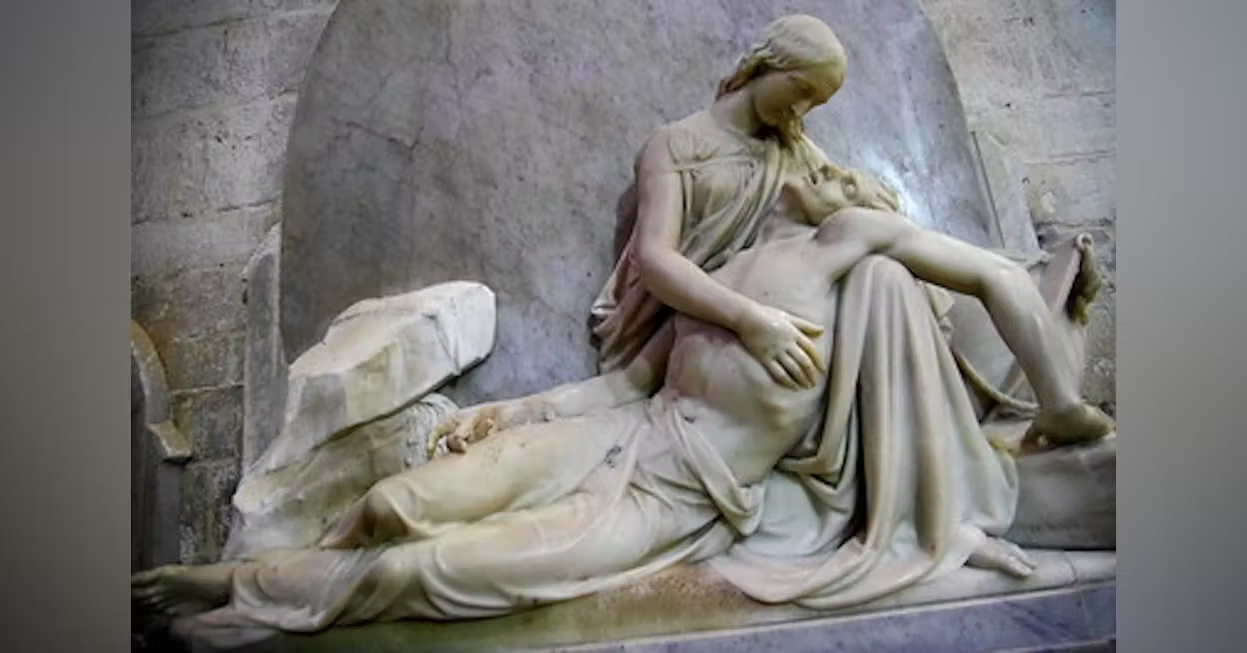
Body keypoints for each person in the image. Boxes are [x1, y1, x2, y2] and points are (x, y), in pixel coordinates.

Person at [131, 162, 1111, 646]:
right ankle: (250, 575)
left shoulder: (856, 259)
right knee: (396, 501)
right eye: (812, 167)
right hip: (621, 432)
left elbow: (997, 282)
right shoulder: (727, 271)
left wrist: (1060, 406)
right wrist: (514, 413)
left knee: (434, 564)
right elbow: (629, 383)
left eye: (834, 173)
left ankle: (240, 594)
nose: (814, 173)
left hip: (673, 496)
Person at [592, 14, 897, 390]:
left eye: (814, 103)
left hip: (754, 344)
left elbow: (856, 221)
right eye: (800, 88)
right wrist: (749, 319)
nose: (800, 110)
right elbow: (656, 258)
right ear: (768, 63)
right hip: (689, 328)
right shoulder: (675, 145)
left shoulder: (799, 155)